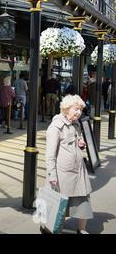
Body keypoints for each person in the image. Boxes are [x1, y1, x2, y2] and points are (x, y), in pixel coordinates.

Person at [44, 95, 93, 234]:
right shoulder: (55, 127)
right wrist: (51, 175)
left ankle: (82, 229)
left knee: (83, 200)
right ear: (66, 109)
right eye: (76, 109)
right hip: (62, 173)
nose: (79, 113)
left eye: (80, 110)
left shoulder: (76, 123)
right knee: (60, 203)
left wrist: (81, 143)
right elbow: (50, 155)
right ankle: (53, 228)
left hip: (79, 171)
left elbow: (78, 139)